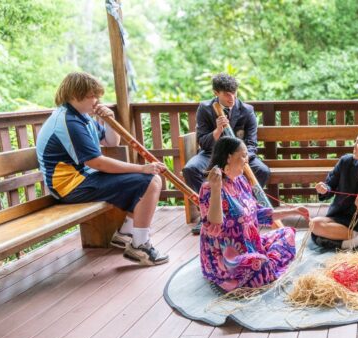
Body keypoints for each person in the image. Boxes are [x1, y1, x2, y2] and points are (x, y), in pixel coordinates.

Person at [36, 72, 168, 265]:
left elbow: (111, 141)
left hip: (84, 178)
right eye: (91, 96)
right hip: (70, 186)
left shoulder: (82, 117)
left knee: (146, 181)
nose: (96, 101)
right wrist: (142, 168)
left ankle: (125, 234)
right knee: (150, 180)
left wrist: (109, 119)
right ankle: (139, 246)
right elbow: (96, 162)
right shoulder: (68, 121)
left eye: (97, 95)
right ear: (74, 95)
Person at [199, 137, 309, 292]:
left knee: (288, 233)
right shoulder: (208, 188)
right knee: (258, 262)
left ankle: (265, 270)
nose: (247, 159)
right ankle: (265, 270)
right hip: (226, 260)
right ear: (228, 157)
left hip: (251, 246)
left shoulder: (241, 180)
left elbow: (258, 213)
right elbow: (213, 228)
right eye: (243, 155)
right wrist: (217, 189)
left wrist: (293, 211)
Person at [183, 73, 271, 234]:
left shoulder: (247, 110)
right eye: (226, 94)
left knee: (262, 170)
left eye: (234, 92)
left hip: (239, 155)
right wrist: (217, 131)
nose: (232, 97)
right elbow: (203, 142)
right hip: (212, 153)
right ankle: (208, 215)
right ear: (216, 93)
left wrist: (241, 159)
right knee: (191, 169)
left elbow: (251, 144)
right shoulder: (205, 108)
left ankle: (245, 212)